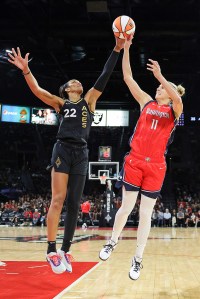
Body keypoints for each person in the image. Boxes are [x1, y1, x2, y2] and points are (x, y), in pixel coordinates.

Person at [8, 38, 124, 274]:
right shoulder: (61, 103)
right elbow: (37, 91)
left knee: (74, 204)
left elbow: (105, 73)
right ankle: (51, 250)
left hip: (81, 152)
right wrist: (26, 70)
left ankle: (65, 250)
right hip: (62, 149)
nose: (77, 81)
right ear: (68, 89)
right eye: (72, 82)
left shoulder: (89, 100)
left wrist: (117, 49)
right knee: (58, 199)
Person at [99, 35, 185, 280]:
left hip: (156, 167)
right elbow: (128, 77)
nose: (158, 89)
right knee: (126, 208)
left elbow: (178, 99)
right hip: (135, 161)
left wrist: (161, 76)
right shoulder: (146, 102)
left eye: (162, 88)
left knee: (146, 214)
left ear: (168, 93)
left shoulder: (173, 110)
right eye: (158, 86)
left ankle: (138, 259)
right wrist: (126, 48)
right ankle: (112, 242)